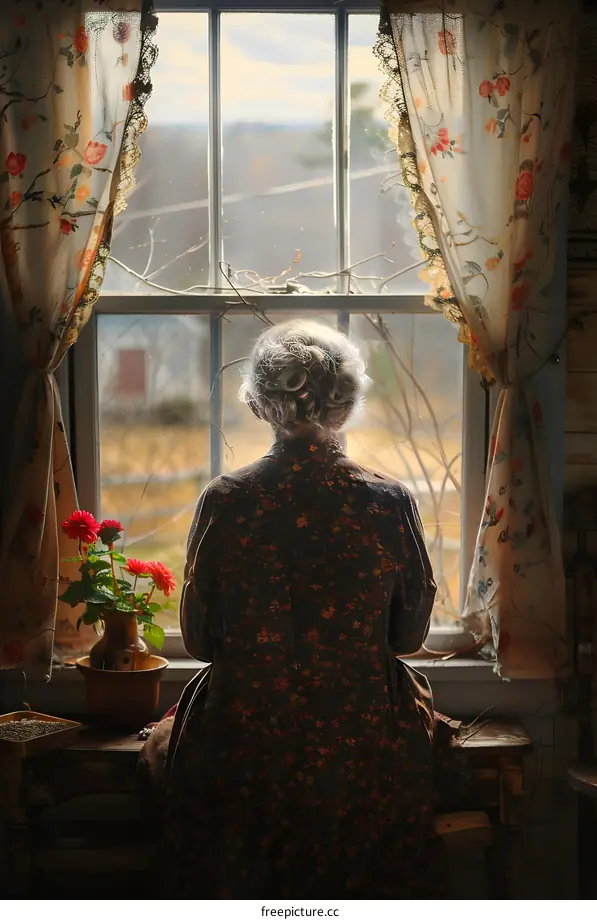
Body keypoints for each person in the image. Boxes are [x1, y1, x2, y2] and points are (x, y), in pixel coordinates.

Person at [161, 320, 438, 898]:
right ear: (345, 404)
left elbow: (199, 644)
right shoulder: (387, 500)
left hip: (245, 744)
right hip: (358, 745)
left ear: (262, 407)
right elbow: (409, 638)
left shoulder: (226, 500)